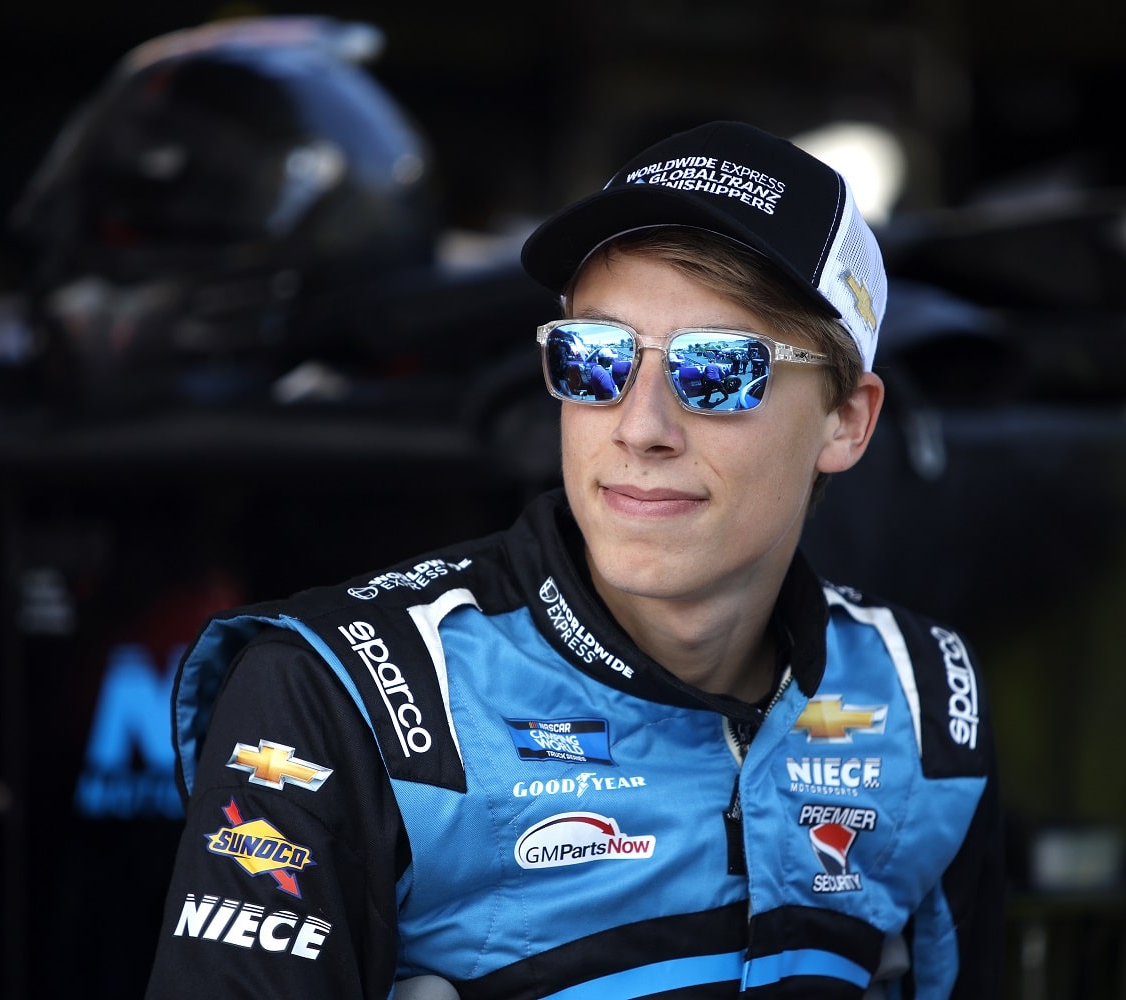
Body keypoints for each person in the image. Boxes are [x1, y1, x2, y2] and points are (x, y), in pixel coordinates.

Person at [144, 120, 1004, 999]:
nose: (640, 428)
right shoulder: (345, 696)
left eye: (717, 370)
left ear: (847, 421)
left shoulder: (923, 701)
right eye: (596, 360)